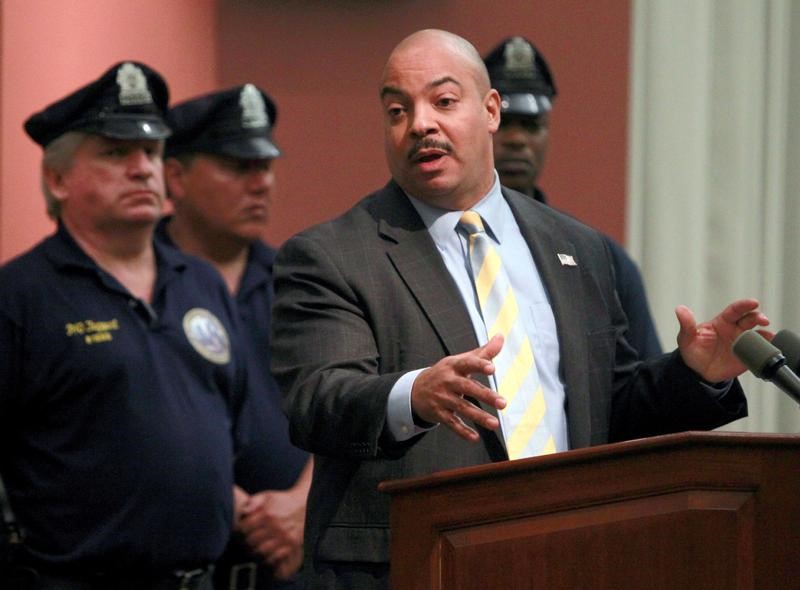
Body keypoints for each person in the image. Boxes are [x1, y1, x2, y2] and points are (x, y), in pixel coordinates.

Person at [269, 29, 768, 590]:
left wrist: (691, 375)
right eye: (396, 110)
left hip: (568, 556)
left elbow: (603, 410)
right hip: (415, 565)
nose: (420, 124)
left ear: (490, 110)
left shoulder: (578, 248)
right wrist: (414, 394)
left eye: (444, 101)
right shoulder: (332, 256)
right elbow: (317, 399)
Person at [0, 62, 252, 590]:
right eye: (117, 153)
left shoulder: (200, 283)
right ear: (57, 178)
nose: (143, 168)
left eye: (154, 153)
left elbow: (235, 422)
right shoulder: (20, 295)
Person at [159, 84, 312, 590]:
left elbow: (345, 406)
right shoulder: (137, 283)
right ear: (175, 177)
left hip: (290, 569)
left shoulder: (301, 282)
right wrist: (223, 498)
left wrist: (300, 504)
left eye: (265, 166)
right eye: (236, 166)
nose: (261, 183)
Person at [484, 35, 663, 359]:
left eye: (531, 125)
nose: (516, 140)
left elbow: (644, 385)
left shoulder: (599, 259)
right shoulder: (444, 242)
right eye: (504, 124)